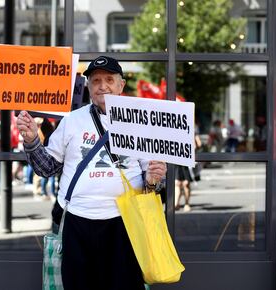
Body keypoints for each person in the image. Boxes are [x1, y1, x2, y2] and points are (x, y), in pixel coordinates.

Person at [17, 56, 167, 290]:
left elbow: (153, 185)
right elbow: (45, 168)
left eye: (109, 79)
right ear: (88, 87)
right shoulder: (71, 121)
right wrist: (32, 140)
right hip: (77, 221)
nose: (102, 86)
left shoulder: (142, 121)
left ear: (121, 85)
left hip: (125, 224)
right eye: (96, 81)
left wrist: (154, 179)